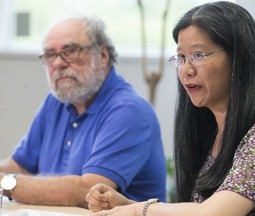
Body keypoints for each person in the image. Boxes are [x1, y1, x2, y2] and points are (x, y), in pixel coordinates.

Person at [85, 1, 255, 215]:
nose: (186, 70)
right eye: (181, 58)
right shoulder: (208, 127)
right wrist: (126, 205)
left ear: (238, 58)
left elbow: (214, 213)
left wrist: (138, 211)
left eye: (198, 55)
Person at [0, 15, 167, 208]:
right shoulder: (56, 102)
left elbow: (88, 190)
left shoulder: (130, 111)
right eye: (49, 55)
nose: (58, 64)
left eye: (70, 51)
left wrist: (6, 183)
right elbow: (20, 166)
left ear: (103, 56)